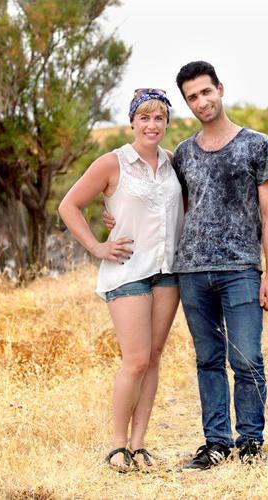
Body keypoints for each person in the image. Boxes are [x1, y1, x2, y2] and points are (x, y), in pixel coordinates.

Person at [105, 61, 268, 471]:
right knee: (208, 360)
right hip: (191, 273)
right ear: (187, 103)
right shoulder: (183, 153)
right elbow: (158, 197)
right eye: (192, 97)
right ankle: (216, 444)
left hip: (241, 269)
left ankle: (251, 444)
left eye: (206, 92)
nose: (201, 101)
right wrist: (110, 210)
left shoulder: (256, 145)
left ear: (220, 89)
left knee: (247, 359)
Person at [58, 88, 183, 471]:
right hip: (128, 271)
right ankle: (117, 446)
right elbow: (69, 205)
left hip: (168, 272)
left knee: (154, 358)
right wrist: (97, 246)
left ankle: (139, 444)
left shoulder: (173, 162)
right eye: (144, 118)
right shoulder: (112, 163)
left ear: (167, 123)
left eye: (159, 118)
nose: (152, 125)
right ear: (132, 122)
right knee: (135, 360)